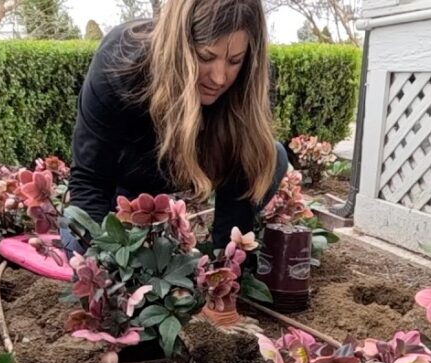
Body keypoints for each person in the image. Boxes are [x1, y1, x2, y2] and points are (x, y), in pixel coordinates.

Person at [62, 0, 289, 256]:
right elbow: (89, 181)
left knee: (273, 155)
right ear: (179, 45)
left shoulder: (248, 81)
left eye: (234, 61)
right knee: (77, 240)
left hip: (185, 185)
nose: (219, 77)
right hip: (123, 188)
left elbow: (242, 176)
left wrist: (224, 268)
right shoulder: (119, 64)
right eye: (206, 56)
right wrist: (105, 263)